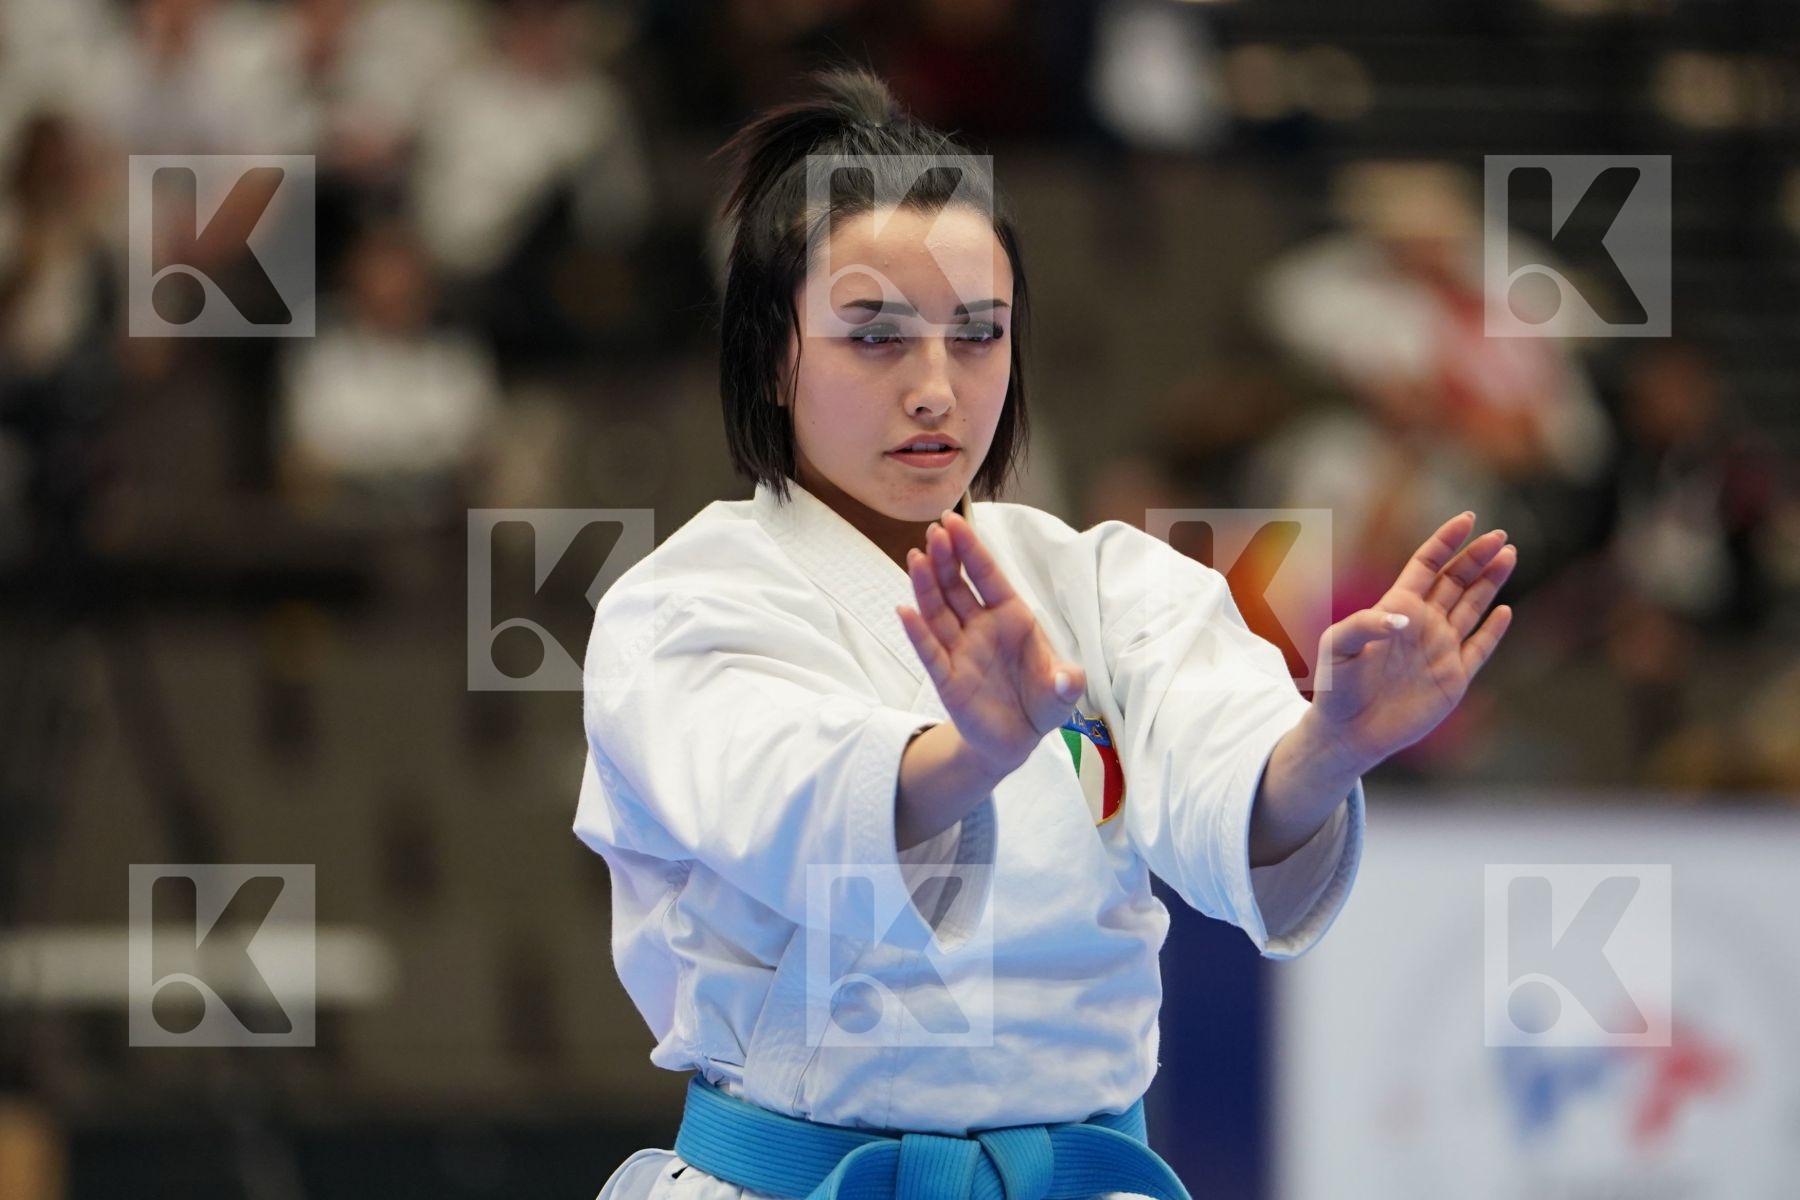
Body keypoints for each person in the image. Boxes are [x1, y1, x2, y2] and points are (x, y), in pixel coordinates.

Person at [574, 68, 1516, 1200]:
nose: (936, 388)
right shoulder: (683, 605)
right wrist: (965, 754)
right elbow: (784, 805)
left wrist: (1334, 744)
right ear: (777, 355)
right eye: (875, 338)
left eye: (977, 334)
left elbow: (1224, 770)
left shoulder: (1106, 584)